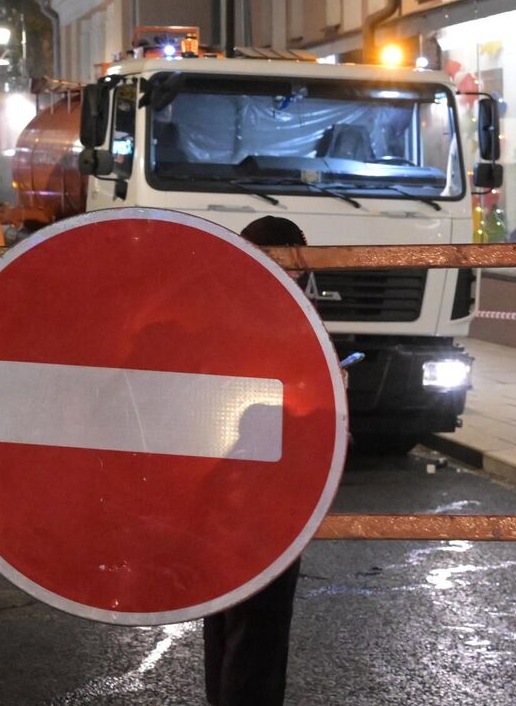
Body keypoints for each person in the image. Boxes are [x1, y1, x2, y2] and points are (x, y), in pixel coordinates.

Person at [203, 215, 311, 706]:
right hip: (261, 496)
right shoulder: (279, 320)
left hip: (227, 490)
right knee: (257, 625)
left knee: (229, 617)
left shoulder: (217, 311)